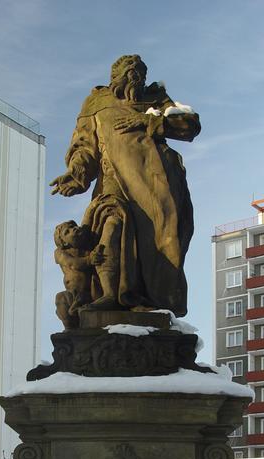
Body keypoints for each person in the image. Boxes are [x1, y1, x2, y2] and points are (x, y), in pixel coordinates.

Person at [50, 54, 200, 317]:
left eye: (141, 74)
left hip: (157, 186)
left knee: (162, 246)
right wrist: (76, 173)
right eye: (131, 73)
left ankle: (151, 302)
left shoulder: (155, 99)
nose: (137, 79)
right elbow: (85, 146)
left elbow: (189, 126)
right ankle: (111, 295)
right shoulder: (97, 103)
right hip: (114, 180)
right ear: (116, 77)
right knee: (112, 224)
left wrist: (149, 121)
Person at [53, 220, 105, 328]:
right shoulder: (60, 253)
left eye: (73, 226)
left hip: (91, 293)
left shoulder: (87, 248)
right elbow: (72, 263)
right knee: (61, 299)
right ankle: (69, 328)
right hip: (72, 294)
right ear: (64, 243)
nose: (73, 229)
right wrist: (89, 260)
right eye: (67, 232)